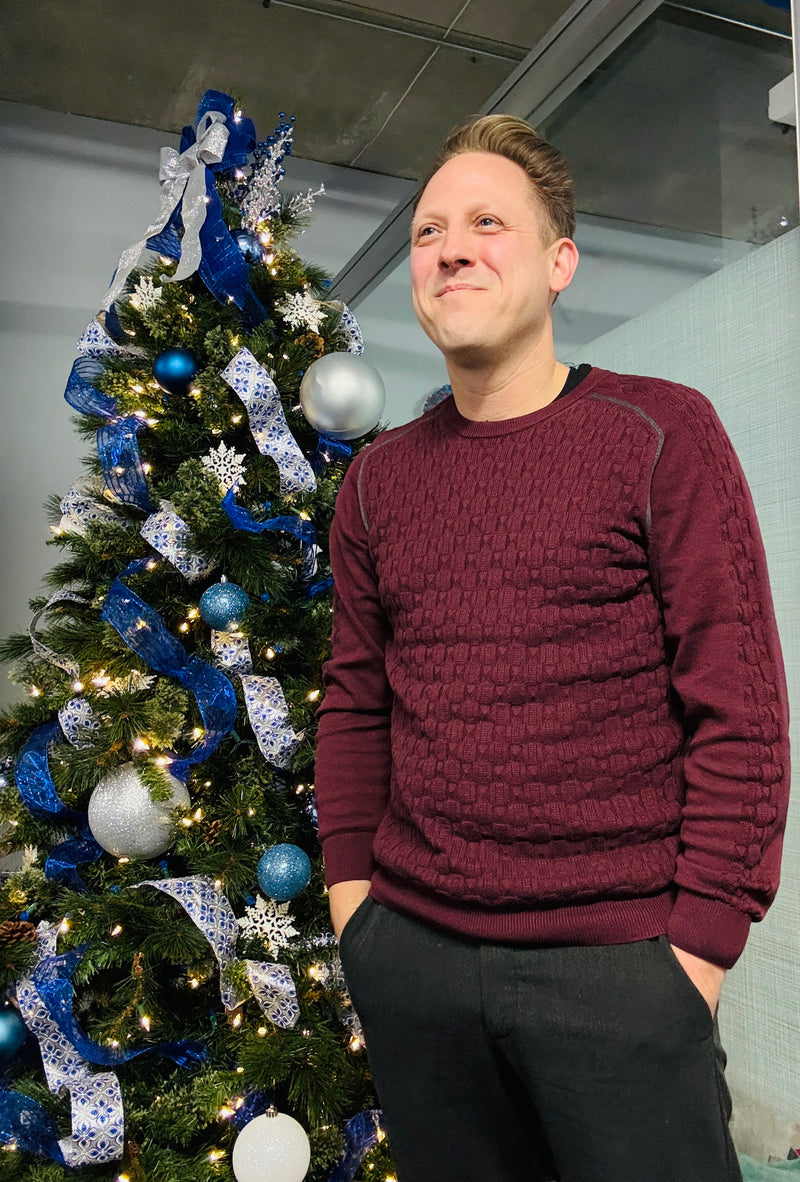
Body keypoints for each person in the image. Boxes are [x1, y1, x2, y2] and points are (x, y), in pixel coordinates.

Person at [314, 114, 790, 1182]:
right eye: (429, 230)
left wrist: (694, 953)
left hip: (621, 971)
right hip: (414, 964)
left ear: (558, 262)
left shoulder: (658, 434)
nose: (450, 248)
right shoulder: (377, 481)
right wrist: (356, 916)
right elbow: (354, 704)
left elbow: (742, 709)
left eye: (488, 223)